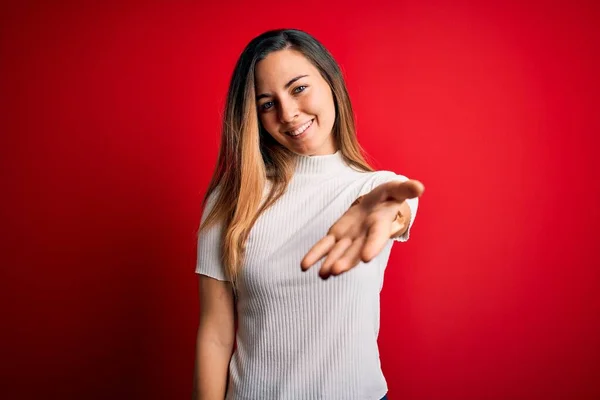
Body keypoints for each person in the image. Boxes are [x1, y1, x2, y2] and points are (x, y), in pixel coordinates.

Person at [193, 28, 425, 400]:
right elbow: (216, 335)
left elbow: (398, 207)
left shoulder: (377, 189)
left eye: (299, 88)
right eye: (267, 103)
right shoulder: (231, 199)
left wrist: (390, 212)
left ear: (330, 81)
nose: (288, 113)